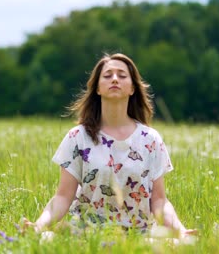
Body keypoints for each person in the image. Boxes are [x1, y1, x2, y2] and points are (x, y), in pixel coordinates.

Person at [23, 53, 196, 239]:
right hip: (86, 236)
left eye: (122, 76)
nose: (114, 79)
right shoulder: (78, 137)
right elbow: (63, 197)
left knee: (186, 245)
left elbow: (159, 200)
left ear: (132, 88)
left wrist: (181, 230)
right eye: (107, 76)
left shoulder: (150, 139)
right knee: (44, 241)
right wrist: (38, 226)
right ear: (97, 88)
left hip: (138, 237)